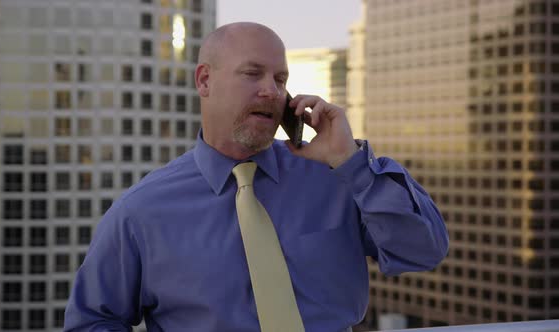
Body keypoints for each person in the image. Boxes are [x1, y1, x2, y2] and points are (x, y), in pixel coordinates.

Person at [64, 22, 448, 332]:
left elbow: (423, 251)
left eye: (280, 79)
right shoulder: (140, 211)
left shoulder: (338, 178)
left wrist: (351, 163)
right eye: (252, 73)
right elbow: (93, 321)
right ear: (204, 81)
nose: (271, 90)